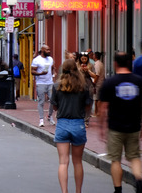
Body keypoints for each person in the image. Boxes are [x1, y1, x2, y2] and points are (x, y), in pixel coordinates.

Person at [99, 52, 142, 193]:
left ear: (115, 63)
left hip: (115, 127)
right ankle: (139, 180)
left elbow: (103, 108)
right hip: (134, 126)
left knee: (115, 159)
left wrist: (101, 127)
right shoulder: (139, 81)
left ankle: (118, 189)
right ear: (129, 63)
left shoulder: (110, 82)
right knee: (134, 157)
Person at [51, 59, 92, 193]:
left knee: (63, 162)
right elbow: (87, 105)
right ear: (76, 69)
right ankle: (78, 191)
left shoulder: (57, 86)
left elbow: (55, 107)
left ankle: (64, 191)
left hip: (62, 123)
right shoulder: (83, 86)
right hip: (78, 124)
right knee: (78, 162)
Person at [31, 45, 56, 127]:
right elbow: (32, 71)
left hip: (50, 83)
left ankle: (49, 116)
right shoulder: (36, 60)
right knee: (41, 101)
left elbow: (52, 68)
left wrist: (53, 75)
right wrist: (40, 73)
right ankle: (41, 119)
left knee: (53, 100)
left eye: (49, 49)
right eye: (47, 49)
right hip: (40, 83)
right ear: (42, 50)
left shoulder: (51, 59)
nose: (49, 51)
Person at [77, 52, 96, 126]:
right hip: (80, 85)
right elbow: (74, 74)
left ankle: (86, 120)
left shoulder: (91, 65)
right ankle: (80, 118)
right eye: (82, 59)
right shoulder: (77, 65)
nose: (84, 60)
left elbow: (95, 76)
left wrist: (88, 70)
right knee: (80, 102)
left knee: (89, 102)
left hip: (89, 85)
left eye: (85, 59)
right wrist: (80, 69)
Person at [92, 51, 105, 117]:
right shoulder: (101, 64)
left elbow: (97, 75)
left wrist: (94, 82)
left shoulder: (97, 64)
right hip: (101, 82)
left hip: (98, 84)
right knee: (98, 98)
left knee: (96, 98)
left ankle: (97, 113)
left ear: (95, 56)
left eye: (93, 55)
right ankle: (97, 112)